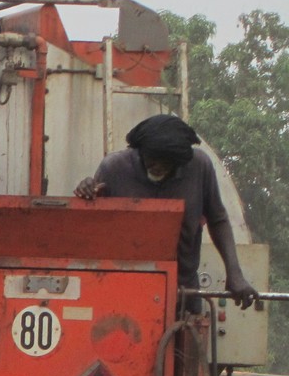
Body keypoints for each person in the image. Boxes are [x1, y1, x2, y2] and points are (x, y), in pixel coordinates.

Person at [74, 114, 258, 307]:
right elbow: (92, 228)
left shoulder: (199, 167)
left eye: (167, 163)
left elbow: (218, 219)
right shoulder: (113, 168)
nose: (158, 167)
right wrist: (87, 196)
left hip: (182, 291)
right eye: (152, 160)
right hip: (122, 288)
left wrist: (235, 273)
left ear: (181, 161)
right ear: (140, 151)